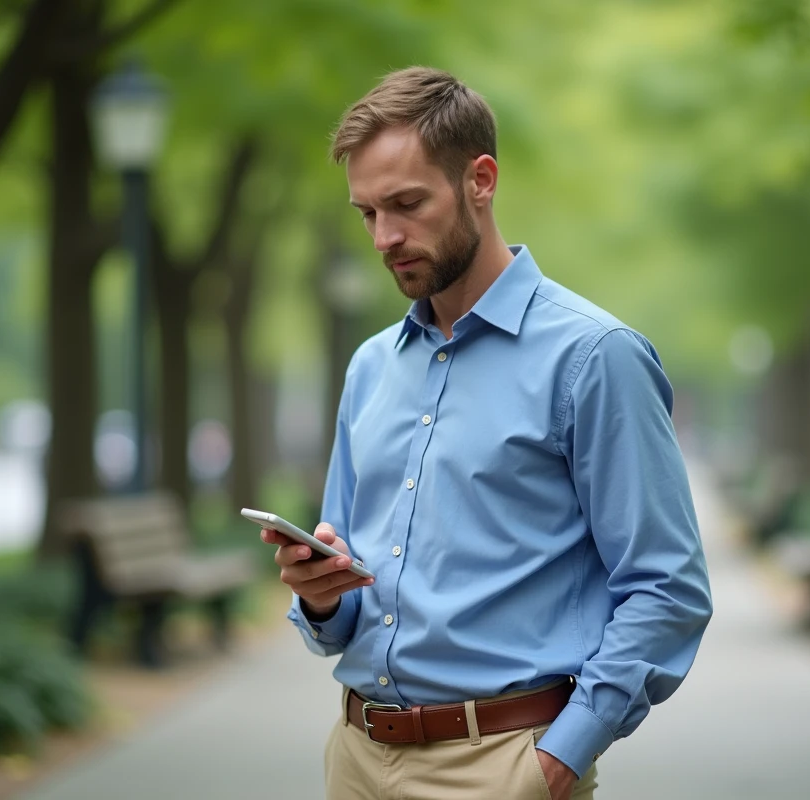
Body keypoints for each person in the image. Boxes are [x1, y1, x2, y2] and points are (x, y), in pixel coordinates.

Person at [259, 66, 712, 800]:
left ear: (481, 179)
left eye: (407, 204)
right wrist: (319, 594)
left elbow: (668, 586)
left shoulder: (593, 358)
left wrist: (560, 756)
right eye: (367, 213)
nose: (386, 237)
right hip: (354, 758)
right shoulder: (371, 369)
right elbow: (345, 608)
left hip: (503, 767)